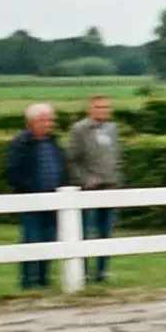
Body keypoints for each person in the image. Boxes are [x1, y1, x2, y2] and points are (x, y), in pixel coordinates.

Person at [5, 103, 67, 290]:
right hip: (31, 202)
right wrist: (30, 190)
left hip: (53, 201)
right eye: (43, 120)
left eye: (50, 120)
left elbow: (62, 166)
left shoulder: (53, 142)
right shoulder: (21, 143)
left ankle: (43, 279)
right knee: (32, 240)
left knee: (49, 240)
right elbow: (13, 172)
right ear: (31, 122)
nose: (48, 124)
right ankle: (27, 281)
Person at [62, 94, 123, 283]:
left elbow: (116, 156)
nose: (103, 111)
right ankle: (84, 271)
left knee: (106, 231)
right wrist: (85, 180)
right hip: (90, 187)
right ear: (90, 109)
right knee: (86, 231)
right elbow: (72, 159)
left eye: (106, 107)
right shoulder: (80, 129)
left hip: (109, 185)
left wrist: (116, 178)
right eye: (98, 107)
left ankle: (102, 271)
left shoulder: (112, 129)